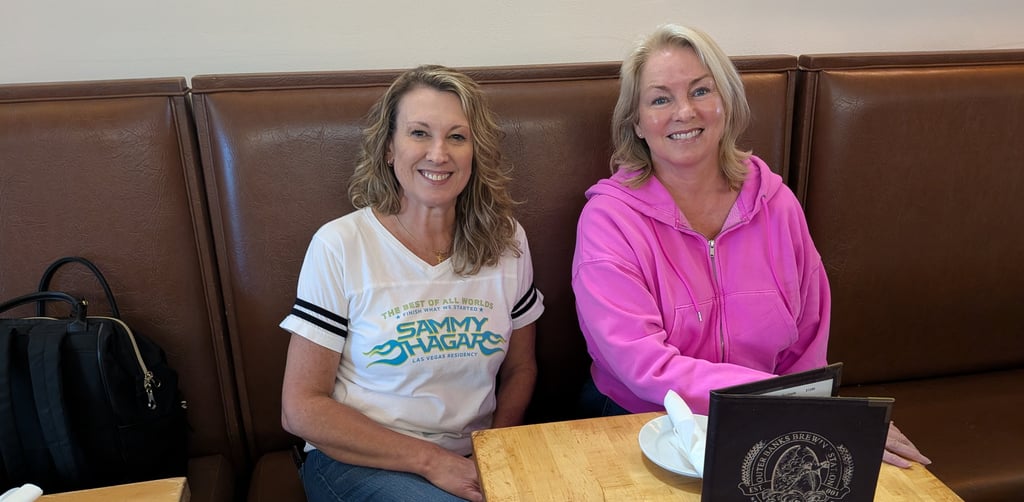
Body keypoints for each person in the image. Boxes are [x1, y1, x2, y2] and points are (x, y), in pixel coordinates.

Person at [571, 24, 929, 468]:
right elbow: (644, 366)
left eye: (701, 91)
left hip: (769, 415)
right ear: (637, 124)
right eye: (660, 98)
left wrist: (824, 419)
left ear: (726, 103)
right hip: (643, 417)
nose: (684, 111)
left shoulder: (777, 203)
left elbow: (807, 341)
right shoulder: (609, 220)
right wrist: (790, 408)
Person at [280, 65, 544, 502]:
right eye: (419, 133)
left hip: (470, 459)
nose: (438, 154)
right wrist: (432, 462)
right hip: (358, 461)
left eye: (457, 137)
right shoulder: (340, 245)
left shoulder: (507, 240)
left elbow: (521, 368)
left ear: (475, 152)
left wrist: (492, 452)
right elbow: (301, 407)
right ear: (388, 148)